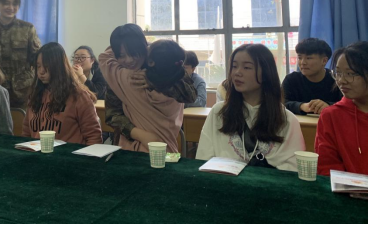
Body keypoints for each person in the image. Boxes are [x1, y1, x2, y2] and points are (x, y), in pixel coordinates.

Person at [197, 44, 305, 172]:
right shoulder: (219, 112)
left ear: (265, 73)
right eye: (234, 66)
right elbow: (203, 159)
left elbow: (292, 169)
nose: (237, 72)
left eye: (247, 67)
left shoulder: (286, 120)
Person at [101, 24, 196, 153]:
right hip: (128, 145)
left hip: (164, 143)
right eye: (121, 55)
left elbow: (190, 95)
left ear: (144, 48)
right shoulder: (118, 75)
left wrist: (155, 81)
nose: (129, 60)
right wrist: (140, 134)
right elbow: (112, 115)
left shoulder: (164, 61)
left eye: (134, 53)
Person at [23, 43, 102, 145]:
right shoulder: (35, 94)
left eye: (46, 66)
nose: (41, 71)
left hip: (68, 154)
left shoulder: (78, 96)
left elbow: (93, 136)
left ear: (58, 67)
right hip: (38, 152)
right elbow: (26, 131)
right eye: (38, 66)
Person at [316, 42, 368, 176]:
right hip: (347, 189)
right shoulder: (332, 116)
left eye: (350, 74)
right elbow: (327, 166)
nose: (341, 80)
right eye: (338, 73)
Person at [283, 38, 342, 115]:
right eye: (300, 58)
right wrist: (301, 106)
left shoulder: (337, 80)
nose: (303, 62)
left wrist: (329, 106)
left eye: (308, 58)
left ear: (324, 61)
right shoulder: (291, 79)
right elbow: (281, 104)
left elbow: (348, 104)